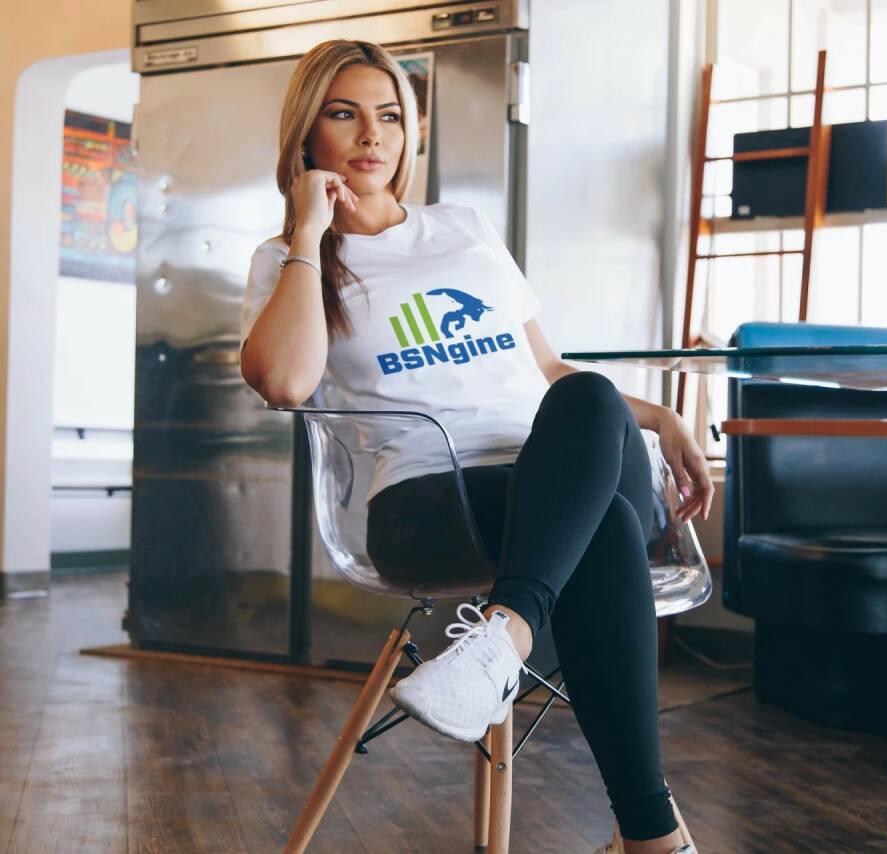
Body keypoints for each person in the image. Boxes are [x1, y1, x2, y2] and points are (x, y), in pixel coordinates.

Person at [239, 38, 714, 854]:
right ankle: (648, 835)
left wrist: (662, 419)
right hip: (425, 501)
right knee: (603, 526)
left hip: (547, 483)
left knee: (591, 398)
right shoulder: (290, 260)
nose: (372, 135)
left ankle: (501, 639)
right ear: (307, 131)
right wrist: (308, 231)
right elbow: (283, 383)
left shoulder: (462, 228)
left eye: (390, 116)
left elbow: (549, 370)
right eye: (345, 114)